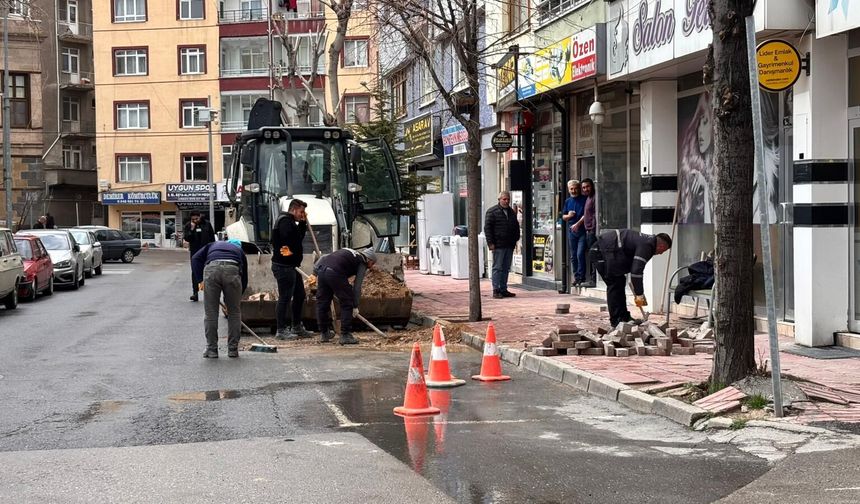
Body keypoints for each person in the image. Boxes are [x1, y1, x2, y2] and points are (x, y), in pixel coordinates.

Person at [590, 230, 672, 327]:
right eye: (663, 251)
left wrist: (639, 293)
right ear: (661, 246)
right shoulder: (647, 245)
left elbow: (635, 269)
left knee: (620, 282)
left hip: (608, 252)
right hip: (600, 252)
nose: (661, 253)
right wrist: (639, 294)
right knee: (615, 284)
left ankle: (624, 317)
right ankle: (616, 321)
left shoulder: (647, 241)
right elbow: (636, 272)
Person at [191, 239, 249, 359]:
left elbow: (195, 258)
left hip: (212, 269)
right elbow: (244, 278)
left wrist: (199, 280)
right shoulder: (239, 251)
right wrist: (236, 299)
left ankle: (211, 350)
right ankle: (233, 349)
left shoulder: (211, 245)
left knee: (211, 313)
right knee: (234, 313)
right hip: (232, 270)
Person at [313, 248, 377, 345]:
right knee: (347, 302)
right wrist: (355, 305)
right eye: (372, 264)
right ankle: (345, 335)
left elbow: (323, 257)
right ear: (369, 260)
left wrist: (314, 272)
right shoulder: (362, 262)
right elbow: (357, 287)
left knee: (322, 303)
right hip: (335, 273)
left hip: (322, 270)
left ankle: (324, 333)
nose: (371, 267)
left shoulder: (348, 251)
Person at [271, 199, 311, 340]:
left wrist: (303, 222)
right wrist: (290, 252)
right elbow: (287, 241)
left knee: (300, 295)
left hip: (292, 267)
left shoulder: (291, 222)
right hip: (284, 266)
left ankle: (297, 326)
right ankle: (281, 330)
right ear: (293, 209)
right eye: (301, 212)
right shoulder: (285, 222)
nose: (302, 214)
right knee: (285, 298)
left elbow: (297, 238)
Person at [678, 92, 714, 224]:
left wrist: (706, 187)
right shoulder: (693, 174)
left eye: (705, 122)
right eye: (698, 123)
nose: (699, 130)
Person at [484, 191, 520, 299]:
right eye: (504, 199)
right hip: (498, 245)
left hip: (509, 244)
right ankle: (496, 289)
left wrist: (515, 239)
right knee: (497, 267)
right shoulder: (492, 212)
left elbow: (516, 227)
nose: (506, 201)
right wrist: (490, 243)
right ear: (499, 199)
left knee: (506, 268)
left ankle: (503, 289)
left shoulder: (511, 212)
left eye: (508, 199)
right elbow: (488, 229)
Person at [183, 211, 216, 301]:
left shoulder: (207, 224)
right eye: (193, 219)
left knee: (208, 271)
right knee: (195, 272)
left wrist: (213, 249)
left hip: (207, 252)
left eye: (196, 219)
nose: (195, 220)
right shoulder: (188, 225)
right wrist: (192, 229)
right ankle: (195, 293)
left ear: (200, 216)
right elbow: (187, 238)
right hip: (195, 253)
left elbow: (212, 238)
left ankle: (210, 293)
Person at [561, 179, 588, 286]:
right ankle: (576, 277)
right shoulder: (568, 201)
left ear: (579, 188)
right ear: (568, 190)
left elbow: (588, 214)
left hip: (582, 230)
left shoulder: (585, 199)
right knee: (573, 255)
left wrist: (578, 224)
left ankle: (582, 276)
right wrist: (569, 216)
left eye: (576, 188)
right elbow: (563, 216)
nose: (574, 191)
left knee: (580, 253)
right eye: (571, 189)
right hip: (571, 231)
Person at [575, 178, 597, 287]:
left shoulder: (594, 198)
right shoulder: (588, 198)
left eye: (587, 186)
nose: (585, 189)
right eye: (583, 187)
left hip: (592, 231)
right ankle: (592, 278)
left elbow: (595, 214)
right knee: (592, 255)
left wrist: (593, 228)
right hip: (588, 231)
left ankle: (594, 279)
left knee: (594, 255)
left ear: (592, 186)